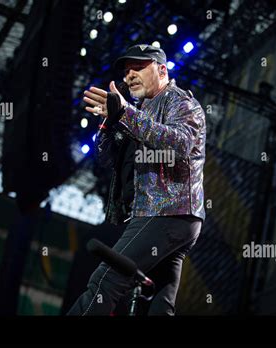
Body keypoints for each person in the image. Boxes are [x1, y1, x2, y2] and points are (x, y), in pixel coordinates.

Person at [67, 44, 206, 315]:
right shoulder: (138, 112)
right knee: (157, 302)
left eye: (139, 67)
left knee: (106, 280)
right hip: (172, 217)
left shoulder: (179, 101)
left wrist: (125, 114)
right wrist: (109, 122)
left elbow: (179, 144)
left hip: (167, 211)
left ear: (162, 70)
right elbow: (107, 159)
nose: (129, 75)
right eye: (126, 70)